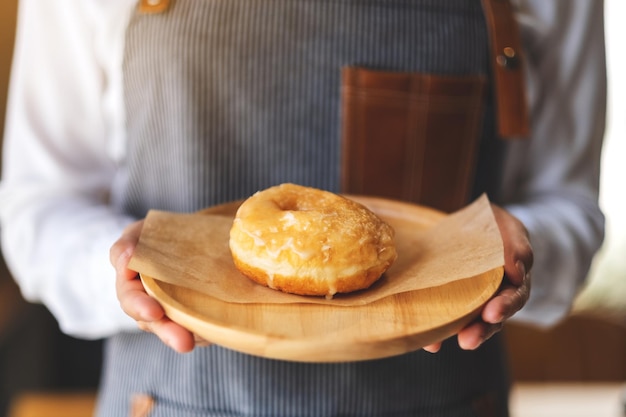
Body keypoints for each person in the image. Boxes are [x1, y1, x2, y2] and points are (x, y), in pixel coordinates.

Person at [0, 0, 606, 416]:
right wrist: (130, 268)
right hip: (170, 398)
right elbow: (37, 207)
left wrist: (514, 251)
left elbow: (570, 205)